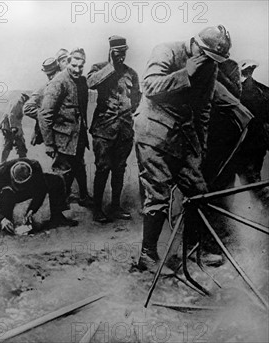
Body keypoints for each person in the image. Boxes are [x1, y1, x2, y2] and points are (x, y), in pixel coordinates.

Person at [134, 25, 231, 272]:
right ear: (196, 44)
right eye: (207, 56)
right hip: (153, 132)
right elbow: (149, 87)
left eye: (214, 60)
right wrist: (185, 72)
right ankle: (147, 255)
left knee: (198, 189)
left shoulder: (210, 67)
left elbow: (204, 109)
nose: (209, 62)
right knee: (158, 193)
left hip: (182, 135)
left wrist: (201, 147)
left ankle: (195, 246)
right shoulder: (165, 51)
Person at [87, 35, 141, 223]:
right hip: (104, 130)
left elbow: (136, 99)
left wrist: (130, 112)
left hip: (124, 130)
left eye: (124, 53)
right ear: (111, 52)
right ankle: (97, 209)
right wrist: (110, 65)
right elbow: (90, 83)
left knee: (119, 169)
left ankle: (115, 207)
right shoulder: (99, 68)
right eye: (117, 53)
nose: (121, 57)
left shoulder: (131, 73)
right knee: (103, 168)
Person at [38, 48, 91, 224]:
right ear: (67, 63)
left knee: (71, 175)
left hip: (78, 139)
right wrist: (49, 144)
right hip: (62, 139)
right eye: (74, 65)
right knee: (59, 177)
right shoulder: (58, 82)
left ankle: (63, 208)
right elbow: (45, 114)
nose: (77, 70)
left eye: (81, 66)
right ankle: (54, 216)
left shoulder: (81, 81)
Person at [0, 159, 76, 234]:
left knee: (56, 180)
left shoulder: (34, 166)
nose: (21, 188)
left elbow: (41, 190)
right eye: (19, 185)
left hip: (29, 188)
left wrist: (31, 210)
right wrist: (2, 219)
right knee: (5, 198)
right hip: (9, 194)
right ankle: (7, 221)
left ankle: (57, 217)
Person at [238, 60, 269, 201]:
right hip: (255, 137)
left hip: (253, 138)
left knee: (252, 180)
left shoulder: (250, 90)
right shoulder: (255, 90)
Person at [23, 57, 61, 146]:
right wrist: (45, 115)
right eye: (49, 75)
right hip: (51, 132)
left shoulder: (64, 85)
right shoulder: (43, 89)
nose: (52, 77)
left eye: (54, 73)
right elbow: (27, 108)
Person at [0, 93, 30, 161]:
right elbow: (11, 115)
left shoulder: (21, 104)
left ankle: (22, 160)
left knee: (21, 144)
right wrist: (13, 127)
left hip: (16, 127)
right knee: (8, 144)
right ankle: (3, 162)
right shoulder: (16, 103)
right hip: (8, 126)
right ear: (24, 97)